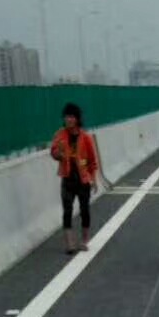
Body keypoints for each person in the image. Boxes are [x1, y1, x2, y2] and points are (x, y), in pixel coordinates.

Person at [50, 102, 99, 254]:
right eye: (66, 117)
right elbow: (53, 152)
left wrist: (94, 180)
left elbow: (93, 161)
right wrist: (58, 154)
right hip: (67, 179)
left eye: (71, 117)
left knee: (85, 211)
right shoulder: (60, 135)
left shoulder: (85, 138)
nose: (68, 120)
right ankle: (70, 244)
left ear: (77, 119)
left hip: (83, 180)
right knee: (67, 211)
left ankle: (84, 241)